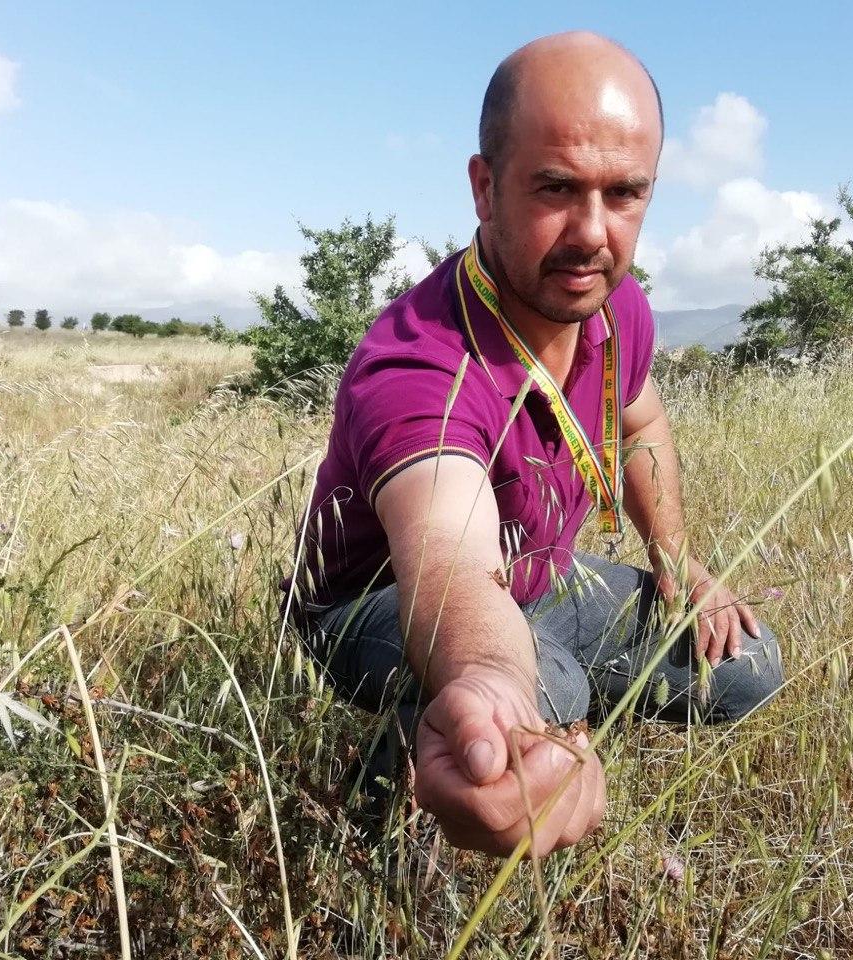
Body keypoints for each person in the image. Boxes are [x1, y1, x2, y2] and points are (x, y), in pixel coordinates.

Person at [287, 32, 783, 857]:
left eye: (625, 194)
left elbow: (641, 423)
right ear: (485, 189)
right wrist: (489, 675)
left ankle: (528, 707)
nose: (593, 233)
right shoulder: (418, 366)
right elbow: (446, 560)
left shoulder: (610, 307)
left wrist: (678, 561)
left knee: (745, 664)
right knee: (543, 691)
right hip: (373, 607)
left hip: (539, 575)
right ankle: (383, 799)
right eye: (556, 187)